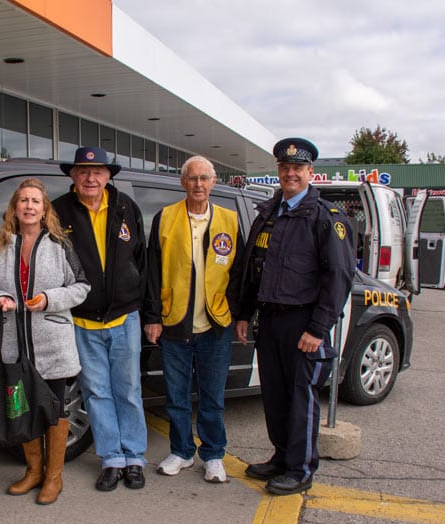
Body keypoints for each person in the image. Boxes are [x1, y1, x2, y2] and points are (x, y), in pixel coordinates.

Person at [230, 137, 355, 495]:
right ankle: (282, 457)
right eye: (285, 168)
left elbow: (338, 277)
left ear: (310, 173)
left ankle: (300, 469)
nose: (290, 174)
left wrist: (318, 328)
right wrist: (244, 313)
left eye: (297, 168)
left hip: (304, 325)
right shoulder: (268, 213)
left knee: (301, 397)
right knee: (275, 395)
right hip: (269, 321)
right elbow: (253, 268)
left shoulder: (325, 218)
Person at [0, 178, 89, 504]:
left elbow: (81, 287)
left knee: (54, 408)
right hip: (12, 342)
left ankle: (54, 478)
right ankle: (33, 472)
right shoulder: (1, 245)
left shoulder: (60, 244)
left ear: (44, 209)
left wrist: (48, 299)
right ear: (14, 207)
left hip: (52, 342)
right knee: (20, 408)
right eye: (23, 200)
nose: (29, 206)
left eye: (35, 201)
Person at [52, 147, 148, 492]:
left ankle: (134, 456)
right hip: (82, 320)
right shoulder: (58, 211)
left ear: (109, 176)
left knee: (129, 390)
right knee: (96, 392)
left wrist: (147, 311)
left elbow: (142, 260)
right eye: (83, 171)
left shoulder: (126, 207)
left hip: (125, 318)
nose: (91, 178)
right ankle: (111, 459)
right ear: (73, 176)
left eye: (98, 171)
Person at [143, 156, 241, 483]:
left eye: (204, 178)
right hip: (175, 322)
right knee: (177, 396)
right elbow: (152, 271)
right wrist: (153, 317)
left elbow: (239, 274)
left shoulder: (230, 220)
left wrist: (237, 314)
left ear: (214, 182)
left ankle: (213, 455)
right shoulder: (166, 217)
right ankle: (182, 451)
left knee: (212, 398)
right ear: (183, 182)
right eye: (192, 178)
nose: (198, 184)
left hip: (216, 324)